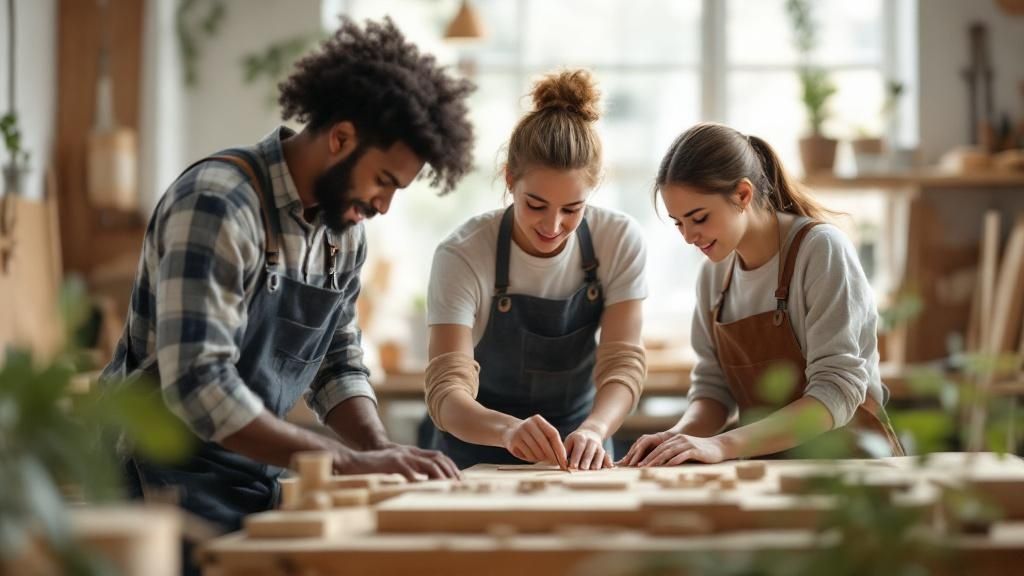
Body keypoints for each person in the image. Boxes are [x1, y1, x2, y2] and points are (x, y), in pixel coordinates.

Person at [100, 17, 474, 574]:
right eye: (384, 182)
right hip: (159, 482)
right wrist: (342, 461)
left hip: (255, 473)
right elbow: (199, 387)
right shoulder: (218, 204)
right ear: (341, 139)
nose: (383, 205)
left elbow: (336, 362)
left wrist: (376, 449)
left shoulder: (341, 233)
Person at [619, 122, 904, 467]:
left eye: (699, 218)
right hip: (768, 470)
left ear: (742, 194)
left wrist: (722, 446)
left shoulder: (820, 250)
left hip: (850, 472)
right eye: (679, 222)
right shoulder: (714, 273)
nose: (689, 237)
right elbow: (713, 390)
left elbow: (837, 391)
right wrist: (679, 438)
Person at [423, 70, 648, 471]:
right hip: (477, 451)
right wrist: (507, 431)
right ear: (510, 179)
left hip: (581, 452)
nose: (553, 225)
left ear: (591, 192)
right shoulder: (463, 253)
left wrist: (596, 430)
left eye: (572, 209)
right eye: (536, 204)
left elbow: (622, 365)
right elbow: (446, 391)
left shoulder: (619, 240)